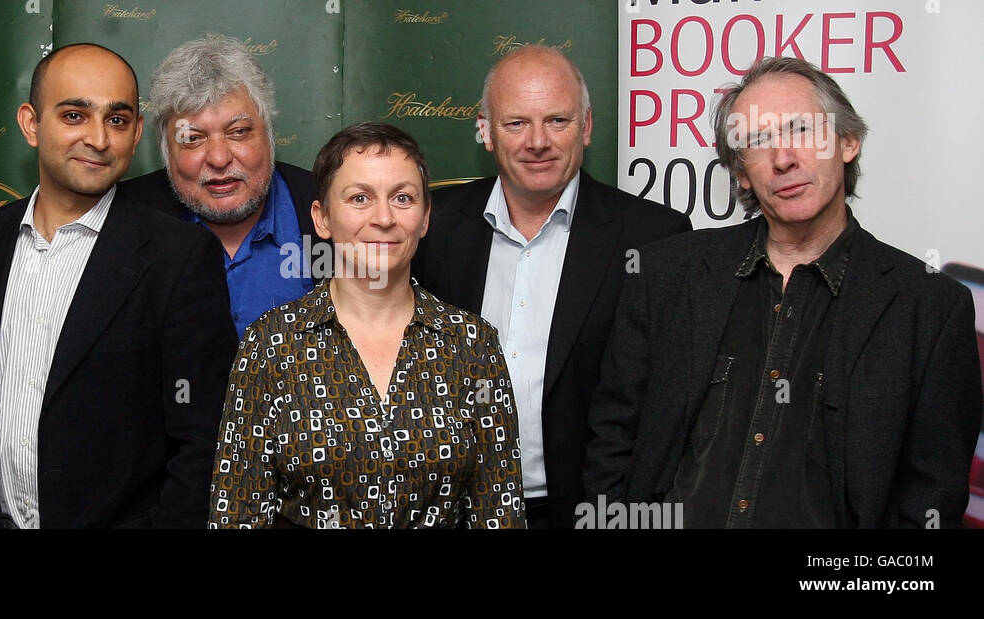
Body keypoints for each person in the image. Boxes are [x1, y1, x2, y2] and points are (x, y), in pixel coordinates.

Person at [583, 56, 982, 528]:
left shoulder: (929, 308)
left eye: (800, 130)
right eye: (756, 142)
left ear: (848, 141)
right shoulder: (665, 275)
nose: (783, 158)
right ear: (741, 174)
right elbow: (613, 437)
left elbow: (930, 494)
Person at [0, 43, 237, 528]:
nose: (98, 138)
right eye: (74, 115)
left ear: (136, 135)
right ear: (30, 123)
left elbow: (205, 439)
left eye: (117, 120)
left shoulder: (178, 258)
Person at [412, 44, 691, 528]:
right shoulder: (431, 228)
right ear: (486, 130)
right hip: (453, 511)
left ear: (586, 127)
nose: (536, 142)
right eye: (516, 123)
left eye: (557, 121)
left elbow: (665, 406)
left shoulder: (653, 237)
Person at [208, 122, 525, 529]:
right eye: (360, 198)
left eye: (403, 198)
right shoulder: (271, 344)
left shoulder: (472, 344)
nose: (384, 218)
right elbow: (237, 513)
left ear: (425, 218)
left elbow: (499, 512)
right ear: (322, 219)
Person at [124, 33, 324, 336]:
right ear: (166, 151)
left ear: (269, 135)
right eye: (192, 138)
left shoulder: (333, 211)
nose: (218, 158)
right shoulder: (122, 222)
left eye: (239, 132)